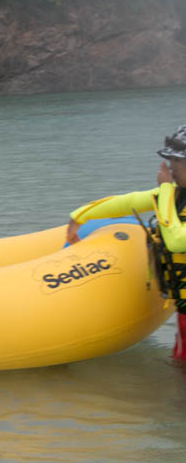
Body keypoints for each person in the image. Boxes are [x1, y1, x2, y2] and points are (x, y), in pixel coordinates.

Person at [66, 124, 186, 356]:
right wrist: (80, 215)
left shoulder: (169, 195)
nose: (170, 166)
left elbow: (177, 241)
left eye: (176, 160)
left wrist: (165, 191)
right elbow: (128, 201)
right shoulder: (176, 195)